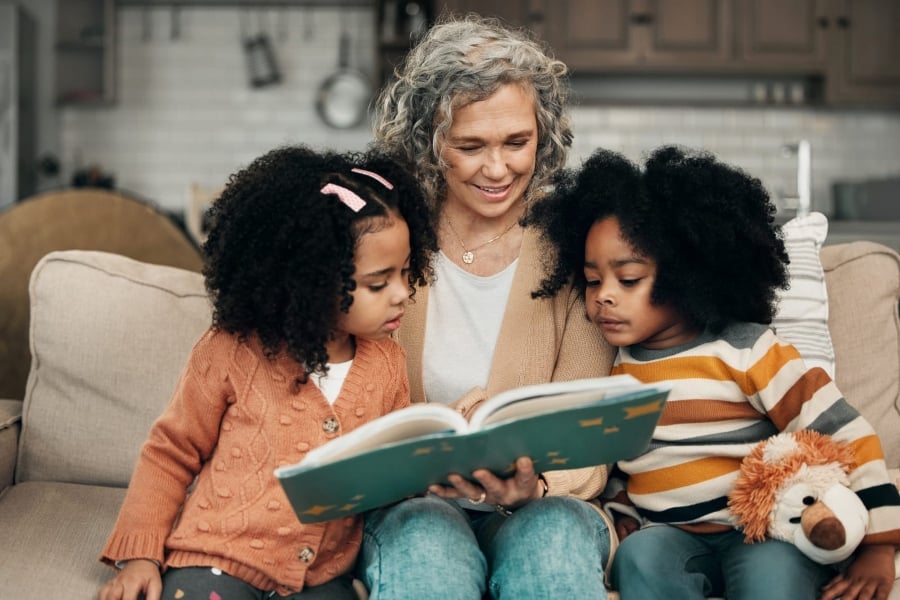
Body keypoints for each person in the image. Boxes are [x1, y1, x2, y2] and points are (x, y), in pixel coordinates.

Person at [528, 145, 900, 600]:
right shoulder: (615, 371)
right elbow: (626, 463)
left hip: (765, 534)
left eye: (627, 280)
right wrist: (622, 510)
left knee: (773, 579)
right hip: (673, 537)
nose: (603, 295)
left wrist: (880, 545)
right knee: (638, 559)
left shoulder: (748, 351)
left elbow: (844, 433)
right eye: (592, 280)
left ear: (688, 275)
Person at [97, 145, 437, 600]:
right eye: (378, 282)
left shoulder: (387, 363)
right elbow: (170, 452)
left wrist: (428, 468)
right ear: (310, 281)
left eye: (406, 273)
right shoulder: (232, 350)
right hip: (216, 559)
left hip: (321, 578)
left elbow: (387, 473)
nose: (401, 294)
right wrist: (140, 555)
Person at [357, 13, 617, 600]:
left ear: (542, 135)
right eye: (470, 146)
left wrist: (536, 484)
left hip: (547, 504)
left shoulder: (577, 243)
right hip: (419, 503)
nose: (498, 170)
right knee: (428, 546)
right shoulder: (387, 236)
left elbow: (591, 441)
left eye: (517, 143)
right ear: (429, 143)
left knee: (550, 548)